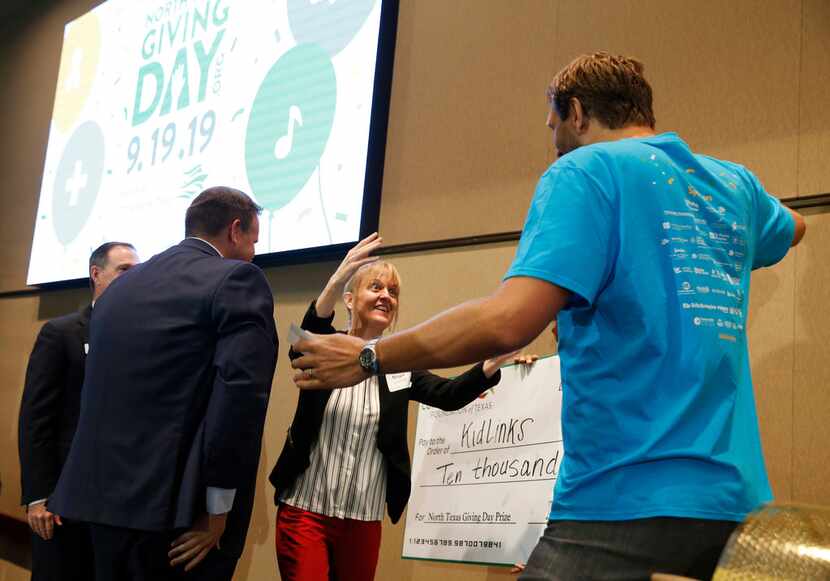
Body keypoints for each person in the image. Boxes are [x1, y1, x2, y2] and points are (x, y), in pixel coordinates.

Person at [289, 53, 807, 579]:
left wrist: (370, 356)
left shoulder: (587, 170)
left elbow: (506, 322)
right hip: (737, 518)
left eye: (554, 125)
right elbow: (793, 226)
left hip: (617, 507)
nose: (554, 140)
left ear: (577, 113)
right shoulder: (733, 185)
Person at [48, 186, 278, 581]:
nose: (254, 253)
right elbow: (239, 400)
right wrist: (217, 507)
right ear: (235, 230)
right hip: (179, 518)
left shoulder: (119, 289)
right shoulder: (238, 280)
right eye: (254, 241)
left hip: (100, 506)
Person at [270, 233, 526, 581]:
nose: (386, 297)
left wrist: (489, 366)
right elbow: (305, 336)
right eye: (376, 287)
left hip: (363, 518)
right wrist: (339, 275)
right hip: (306, 511)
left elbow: (447, 394)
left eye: (393, 292)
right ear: (349, 298)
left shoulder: (400, 365)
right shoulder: (324, 350)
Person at [18, 241, 139, 581]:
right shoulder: (61, 333)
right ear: (96, 274)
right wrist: (37, 496)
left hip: (120, 504)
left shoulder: (144, 338)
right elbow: (36, 418)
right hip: (61, 502)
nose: (134, 278)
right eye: (124, 270)